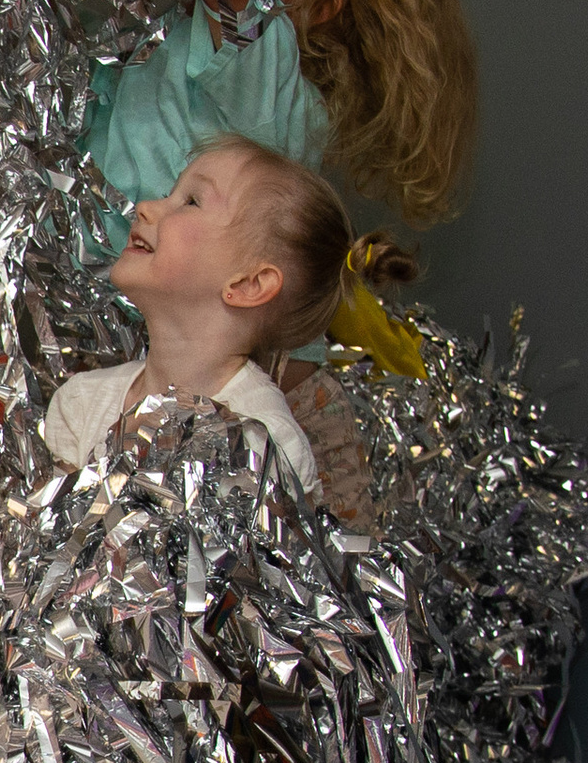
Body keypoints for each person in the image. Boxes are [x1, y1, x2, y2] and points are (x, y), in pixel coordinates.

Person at [84, 0, 475, 370]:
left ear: (321, 4)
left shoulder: (266, 62)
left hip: (133, 285)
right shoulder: (270, 82)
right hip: (125, 265)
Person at [44, 135, 403, 506]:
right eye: (171, 192)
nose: (146, 207)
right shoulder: (81, 403)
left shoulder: (266, 446)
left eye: (191, 201)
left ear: (249, 284)